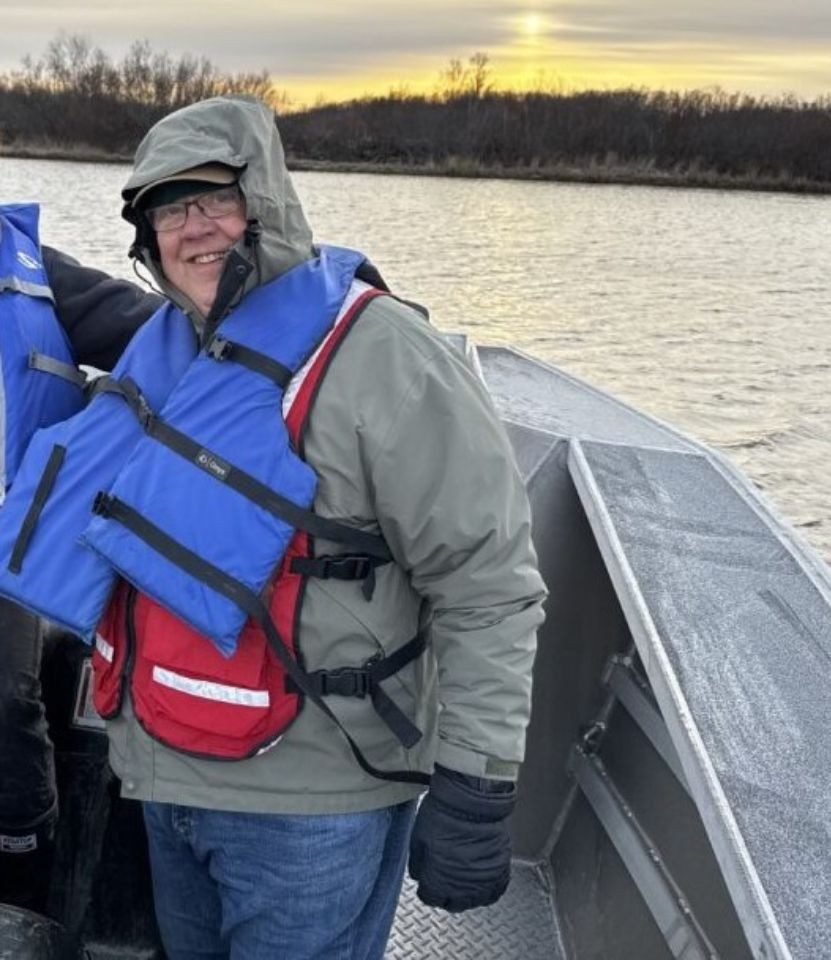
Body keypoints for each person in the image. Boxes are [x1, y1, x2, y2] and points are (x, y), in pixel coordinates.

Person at [0, 95, 546, 959]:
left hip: (312, 805)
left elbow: (488, 582)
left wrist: (477, 782)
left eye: (214, 197)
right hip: (166, 774)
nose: (194, 228)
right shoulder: (170, 343)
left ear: (267, 200)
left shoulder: (386, 357)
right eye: (168, 212)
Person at [0, 212, 160, 913]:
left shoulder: (34, 277)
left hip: (5, 551)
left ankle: (22, 878)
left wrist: (343, 324)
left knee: (6, 704)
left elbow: (164, 328)